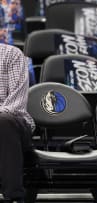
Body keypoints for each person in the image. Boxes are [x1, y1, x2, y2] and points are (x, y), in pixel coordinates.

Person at [0, 43, 35, 203]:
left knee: (3, 121)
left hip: (13, 122)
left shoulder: (11, 54)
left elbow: (16, 104)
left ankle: (13, 197)